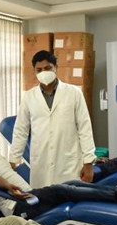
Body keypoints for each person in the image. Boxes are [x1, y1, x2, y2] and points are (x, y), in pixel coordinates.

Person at [10, 50, 96, 187]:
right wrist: (13, 159)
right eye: (39, 70)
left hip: (69, 162)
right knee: (44, 201)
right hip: (41, 161)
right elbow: (21, 129)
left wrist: (88, 162)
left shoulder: (74, 93)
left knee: (70, 200)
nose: (43, 72)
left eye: (47, 68)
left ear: (56, 67)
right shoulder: (29, 97)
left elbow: (85, 128)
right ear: (34, 71)